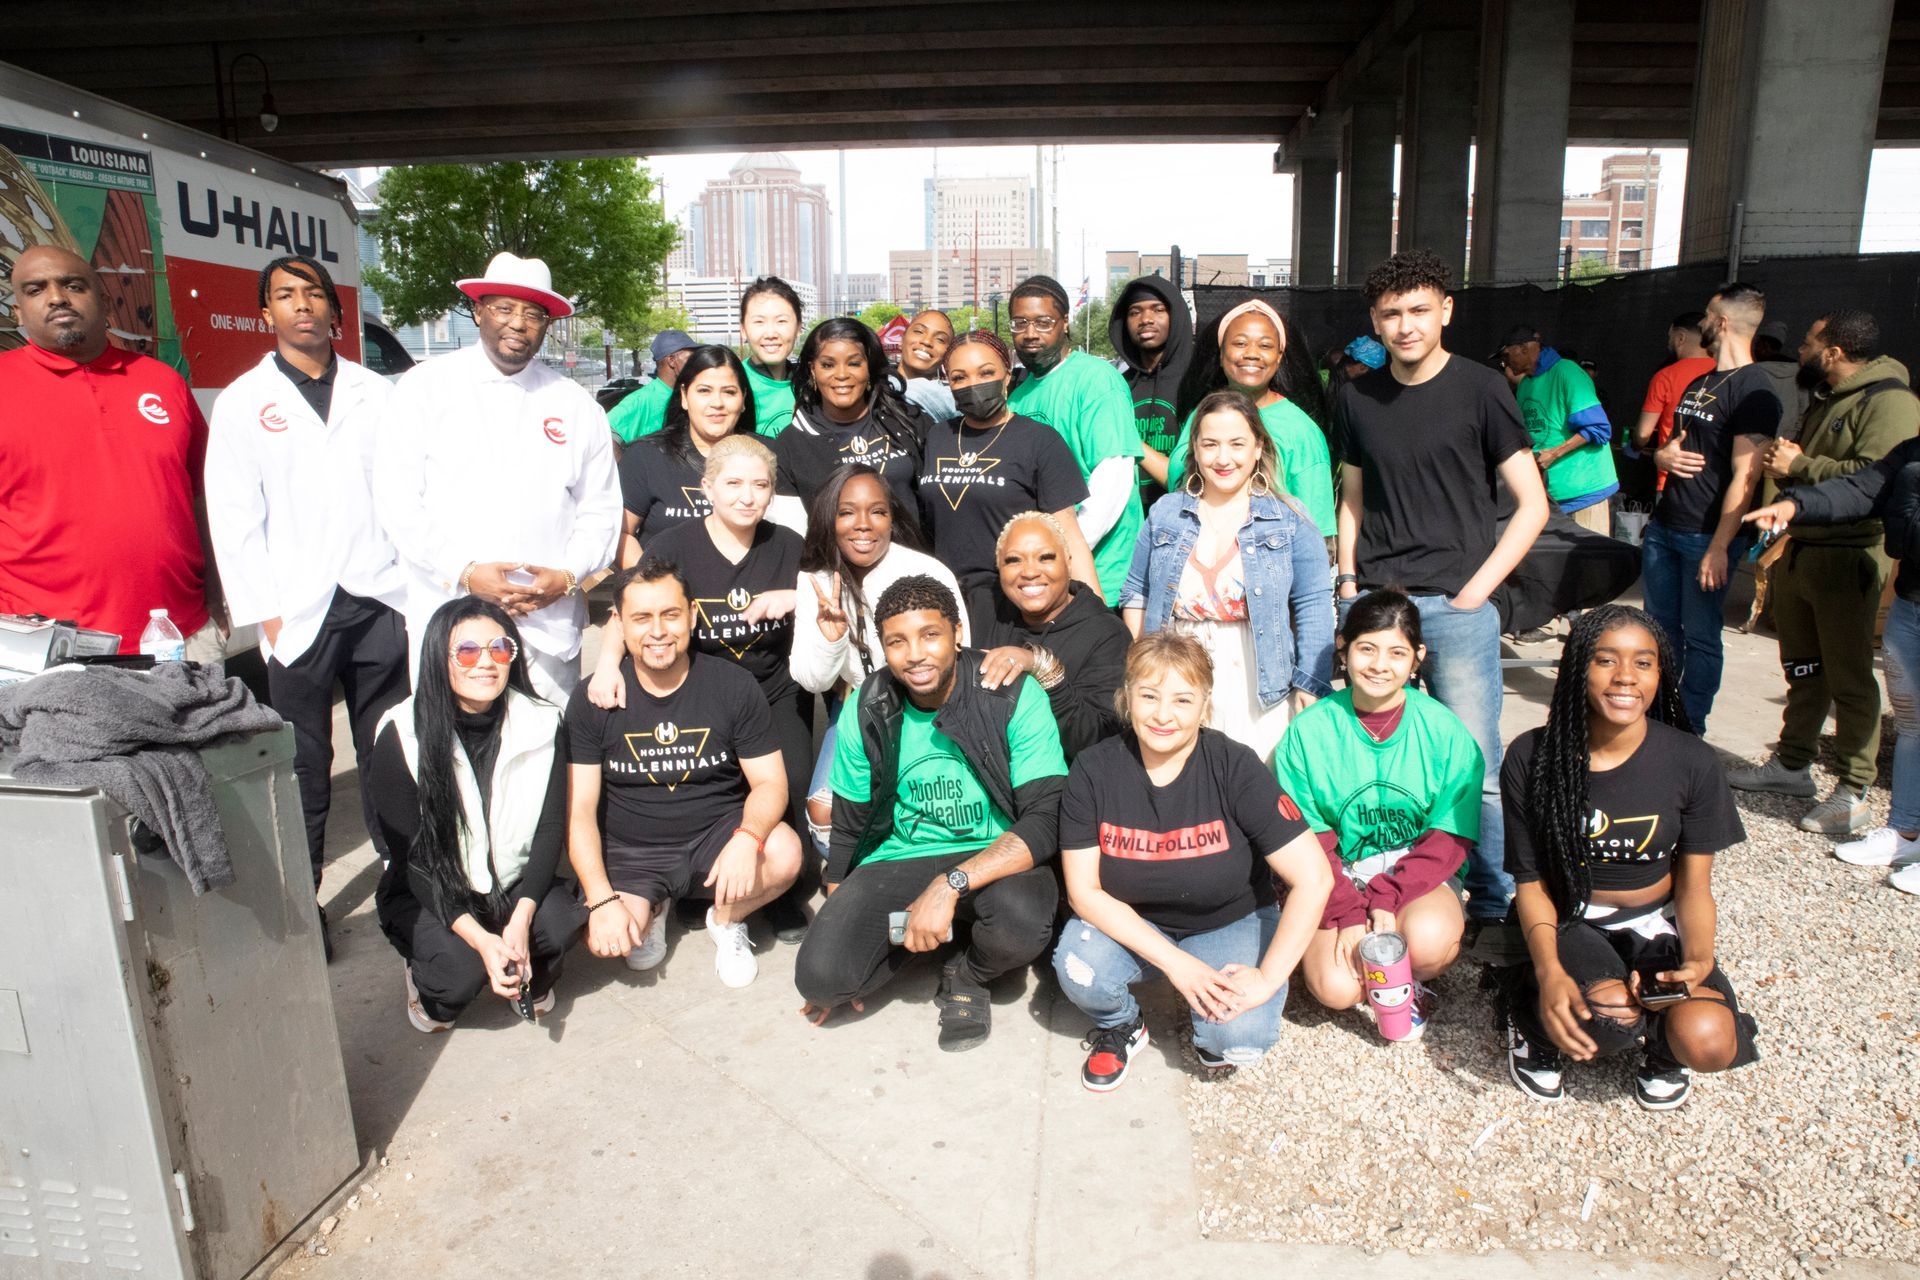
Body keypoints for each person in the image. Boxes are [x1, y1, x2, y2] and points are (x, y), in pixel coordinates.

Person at [1331, 247, 1550, 929]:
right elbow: (1353, 497)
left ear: (1446, 311)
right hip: (1375, 605)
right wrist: (1346, 582)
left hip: (1456, 610)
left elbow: (1531, 503)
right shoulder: (1356, 396)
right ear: (1374, 318)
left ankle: (1492, 904)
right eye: (1391, 313)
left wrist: (1475, 591)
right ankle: (1384, 892)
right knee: (1376, 760)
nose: (1406, 325)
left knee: (1473, 767)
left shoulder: (1484, 389)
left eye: (1420, 309)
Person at [205, 255, 412, 934]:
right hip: (297, 609)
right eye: (285, 296)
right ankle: (307, 899)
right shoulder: (242, 403)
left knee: (389, 748)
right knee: (303, 761)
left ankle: (404, 884)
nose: (301, 305)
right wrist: (264, 613)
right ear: (266, 313)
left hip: (377, 596)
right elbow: (233, 517)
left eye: (313, 294)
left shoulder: (377, 394)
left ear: (335, 310)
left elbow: (407, 494)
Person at [795, 575, 1066, 1051]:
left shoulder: (1011, 694)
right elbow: (852, 819)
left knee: (1019, 923)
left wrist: (949, 886)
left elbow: (1045, 819)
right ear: (883, 648)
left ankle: (967, 972)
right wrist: (840, 906)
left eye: (930, 635)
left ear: (957, 632)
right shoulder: (867, 706)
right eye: (897, 642)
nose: (914, 654)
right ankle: (929, 932)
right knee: (822, 979)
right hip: (901, 857)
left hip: (996, 854)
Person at [1502, 605, 1758, 1108]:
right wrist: (1551, 973)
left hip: (1654, 921)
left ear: (1661, 673)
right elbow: (1530, 882)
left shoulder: (1692, 761)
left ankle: (1663, 1052)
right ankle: (1529, 1020)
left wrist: (1699, 960)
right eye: (1605, 660)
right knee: (1612, 1016)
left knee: (1708, 1039)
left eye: (1643, 663)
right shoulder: (1533, 756)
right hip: (1568, 917)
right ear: (1576, 667)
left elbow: (1694, 887)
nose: (1625, 677)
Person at [1054, 631, 1332, 1089]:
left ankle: (1211, 1026)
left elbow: (1314, 878)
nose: (1163, 715)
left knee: (1239, 1040)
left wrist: (1266, 978)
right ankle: (1123, 1024)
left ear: (1204, 705)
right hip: (1136, 921)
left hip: (1227, 919)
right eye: (1149, 696)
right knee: (1079, 967)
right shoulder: (1093, 769)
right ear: (1126, 698)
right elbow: (1084, 891)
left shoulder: (1235, 766)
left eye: (1182, 700)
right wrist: (1178, 966)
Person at [374, 251, 622, 703]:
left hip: (546, 626)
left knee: (547, 755)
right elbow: (397, 502)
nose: (518, 323)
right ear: (478, 311)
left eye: (533, 314)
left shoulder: (574, 404)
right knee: (453, 757)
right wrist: (466, 573)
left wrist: (566, 577)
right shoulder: (424, 389)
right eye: (504, 308)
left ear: (547, 324)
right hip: (451, 619)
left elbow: (600, 510)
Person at [591, 434, 812, 938]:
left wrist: (794, 595)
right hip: (701, 690)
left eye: (760, 485)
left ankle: (776, 895)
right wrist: (607, 664)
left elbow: (831, 592)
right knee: (709, 786)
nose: (746, 496)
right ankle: (698, 884)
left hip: (771, 689)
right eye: (733, 483)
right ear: (707, 487)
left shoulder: (787, 545)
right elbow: (628, 610)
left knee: (789, 783)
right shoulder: (673, 545)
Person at [566, 559, 804, 986]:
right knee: (605, 939)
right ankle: (651, 907)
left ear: (692, 615)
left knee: (785, 853)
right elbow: (580, 809)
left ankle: (726, 918)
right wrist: (601, 900)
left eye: (670, 615)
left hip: (716, 835)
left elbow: (771, 783)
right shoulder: (593, 697)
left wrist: (747, 838)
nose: (657, 631)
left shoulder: (732, 685)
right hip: (633, 853)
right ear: (618, 624)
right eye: (642, 618)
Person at [1729, 311, 1919, 836]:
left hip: (1848, 558)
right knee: (1805, 669)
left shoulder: (1891, 402)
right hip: (1802, 549)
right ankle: (1792, 765)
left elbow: (1879, 480)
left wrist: (1799, 468)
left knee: (1850, 677)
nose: (1802, 352)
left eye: (1810, 343)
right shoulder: (1831, 398)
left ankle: (1854, 789)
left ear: (1833, 352)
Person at [0, 245, 226, 657]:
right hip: (49, 650)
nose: (56, 297)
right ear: (18, 311)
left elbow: (200, 497)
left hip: (179, 635)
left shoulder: (163, 382)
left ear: (104, 300)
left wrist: (215, 595)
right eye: (36, 290)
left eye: (72, 285)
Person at [369, 598, 580, 1031]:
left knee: (561, 923)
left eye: (499, 648)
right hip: (433, 888)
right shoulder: (400, 733)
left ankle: (523, 966)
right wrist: (481, 940)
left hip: (510, 883)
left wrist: (520, 922)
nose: (486, 663)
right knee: (457, 976)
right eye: (467, 651)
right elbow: (413, 858)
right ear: (438, 657)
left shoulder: (544, 722)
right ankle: (428, 984)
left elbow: (550, 829)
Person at [1276, 591, 1478, 1033]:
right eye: (1366, 648)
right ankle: (1373, 961)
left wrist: (1388, 896)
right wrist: (1348, 910)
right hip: (1337, 874)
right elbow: (1306, 838)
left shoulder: (1444, 730)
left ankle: (1410, 978)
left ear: (1417, 658)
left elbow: (1451, 834)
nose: (1380, 664)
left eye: (1397, 652)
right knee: (1334, 989)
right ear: (1343, 649)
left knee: (1427, 943)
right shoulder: (1308, 733)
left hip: (1415, 874)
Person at [1746, 425, 1920, 895]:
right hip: (1912, 602)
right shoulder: (1913, 447)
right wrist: (1796, 504)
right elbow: (1863, 487)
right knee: (1913, 723)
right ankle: (1906, 832)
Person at [1124, 391, 1334, 763]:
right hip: (1176, 671)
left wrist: (1309, 684)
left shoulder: (1290, 519)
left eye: (1237, 444)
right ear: (1195, 449)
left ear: (1258, 448)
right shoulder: (1165, 512)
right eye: (1210, 444)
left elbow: (1313, 602)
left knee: (1256, 787)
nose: (1223, 458)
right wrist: (1142, 668)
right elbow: (1136, 593)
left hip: (1259, 675)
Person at [791, 464, 968, 855]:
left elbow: (960, 652)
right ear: (829, 519)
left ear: (892, 518)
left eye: (878, 511)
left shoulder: (924, 571)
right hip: (860, 708)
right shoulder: (817, 581)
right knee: (825, 816)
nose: (863, 524)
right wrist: (830, 638)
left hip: (928, 709)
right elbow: (813, 680)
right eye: (847, 512)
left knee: (918, 807)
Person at [1644, 282, 1784, 734]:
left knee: (1700, 638)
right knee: (1659, 634)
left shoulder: (1754, 389)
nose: (1700, 322)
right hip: (1666, 528)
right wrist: (1661, 456)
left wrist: (1721, 547)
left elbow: (1748, 475)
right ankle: (1655, 721)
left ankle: (1688, 729)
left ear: (1722, 323)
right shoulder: (1701, 381)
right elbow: (1675, 446)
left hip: (1705, 537)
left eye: (1707, 314)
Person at [919, 330, 1098, 592]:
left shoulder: (1040, 440)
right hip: (947, 597)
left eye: (986, 373)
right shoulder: (937, 436)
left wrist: (1097, 617)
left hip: (1015, 599)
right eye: (959, 377)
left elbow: (1069, 537)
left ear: (1007, 375)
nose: (974, 384)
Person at [1006, 275, 1145, 607]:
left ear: (1065, 323)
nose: (1029, 333)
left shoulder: (1097, 379)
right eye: (1019, 322)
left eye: (1043, 322)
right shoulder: (1018, 396)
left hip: (1101, 577)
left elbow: (1114, 476)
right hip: (1040, 581)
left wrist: (1062, 554)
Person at [1164, 299, 1337, 538]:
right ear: (1222, 353)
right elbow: (1177, 480)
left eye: (1265, 345)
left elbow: (1317, 535)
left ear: (1279, 357)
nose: (1252, 354)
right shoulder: (1200, 415)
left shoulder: (1301, 431)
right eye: (1240, 343)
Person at [966, 511, 1131, 761]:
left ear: (1068, 561)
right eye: (1013, 560)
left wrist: (1042, 669)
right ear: (998, 567)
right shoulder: (982, 608)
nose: (1030, 571)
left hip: (1064, 785)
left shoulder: (1106, 633)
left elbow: (1098, 739)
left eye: (1045, 558)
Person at [774, 316, 931, 519]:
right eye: (828, 365)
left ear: (869, 368)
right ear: (813, 370)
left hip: (910, 550)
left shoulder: (907, 420)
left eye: (854, 363)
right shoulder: (791, 444)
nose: (841, 374)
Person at [615, 345, 756, 561]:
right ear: (684, 396)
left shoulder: (768, 456)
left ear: (743, 398)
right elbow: (621, 534)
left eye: (729, 392)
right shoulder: (645, 457)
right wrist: (651, 588)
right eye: (704, 391)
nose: (716, 403)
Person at [1500, 323, 1619, 536]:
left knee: (1588, 566)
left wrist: (1554, 453)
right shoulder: (1526, 384)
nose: (1504, 362)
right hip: (1549, 498)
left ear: (1525, 349)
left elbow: (1599, 428)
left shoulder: (1568, 372)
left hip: (1584, 494)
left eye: (1507, 355)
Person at [1107, 275, 1194, 503]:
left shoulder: (1199, 381)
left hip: (1185, 515)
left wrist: (1132, 441)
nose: (1146, 319)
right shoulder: (1118, 385)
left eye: (1158, 310)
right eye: (1135, 312)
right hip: (1129, 519)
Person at [1631, 312, 1716, 492]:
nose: (1668, 343)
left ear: (1680, 338)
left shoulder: (1665, 376)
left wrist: (1635, 446)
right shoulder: (1724, 373)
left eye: (1670, 337)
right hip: (1711, 480)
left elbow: (1643, 434)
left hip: (1671, 477)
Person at [607, 329, 698, 445]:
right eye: (690, 358)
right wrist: (627, 463)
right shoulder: (642, 399)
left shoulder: (688, 394)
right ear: (671, 361)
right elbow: (604, 434)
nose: (695, 363)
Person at [739, 276, 802, 437]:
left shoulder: (811, 382)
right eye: (759, 322)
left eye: (781, 321)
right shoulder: (733, 383)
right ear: (743, 329)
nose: (770, 334)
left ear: (798, 328)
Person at [898, 308, 957, 421]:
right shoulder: (870, 395)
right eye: (919, 332)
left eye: (940, 339)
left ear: (947, 355)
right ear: (901, 340)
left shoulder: (959, 411)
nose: (927, 341)